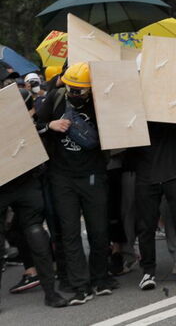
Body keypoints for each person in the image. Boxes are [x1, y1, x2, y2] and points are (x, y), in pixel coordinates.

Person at [38, 62, 114, 304]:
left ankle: (100, 277)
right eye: (71, 88)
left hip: (93, 173)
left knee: (99, 228)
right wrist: (50, 125)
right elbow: (33, 125)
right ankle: (80, 285)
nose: (74, 94)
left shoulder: (101, 102)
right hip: (61, 175)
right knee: (70, 232)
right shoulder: (56, 98)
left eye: (80, 90)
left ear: (91, 89)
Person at [0, 89, 69, 310]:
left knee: (36, 232)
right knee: (34, 231)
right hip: (18, 179)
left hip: (24, 179)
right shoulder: (14, 100)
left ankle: (51, 292)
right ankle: (51, 293)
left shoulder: (14, 98)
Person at [126, 79, 176, 290]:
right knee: (145, 225)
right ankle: (148, 271)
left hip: (175, 170)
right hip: (146, 172)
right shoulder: (133, 104)